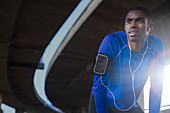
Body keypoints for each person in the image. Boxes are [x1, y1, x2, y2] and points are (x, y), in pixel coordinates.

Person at [89, 7, 164, 113]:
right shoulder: (111, 41)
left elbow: (156, 87)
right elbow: (99, 84)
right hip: (105, 101)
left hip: (130, 106)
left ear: (149, 27)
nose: (132, 25)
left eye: (139, 20)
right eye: (129, 21)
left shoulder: (156, 46)